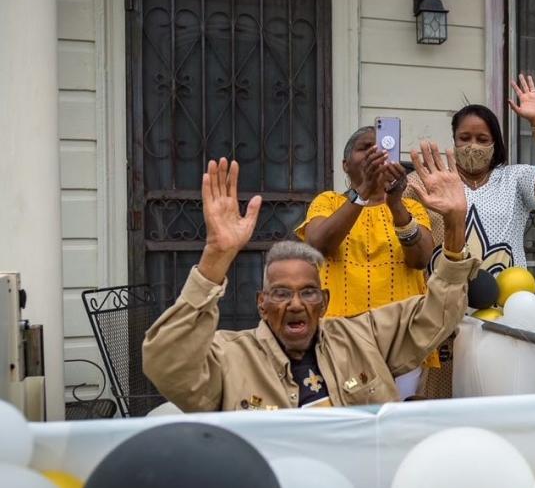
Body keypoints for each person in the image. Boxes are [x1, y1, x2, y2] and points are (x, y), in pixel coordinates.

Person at [142, 143, 475, 411]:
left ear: (323, 301)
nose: (296, 304)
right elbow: (167, 365)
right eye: (282, 293)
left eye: (308, 293)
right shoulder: (232, 358)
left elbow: (437, 314)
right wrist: (215, 256)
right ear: (261, 303)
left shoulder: (361, 339)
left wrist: (457, 223)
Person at [408, 73, 535, 274]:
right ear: (454, 140)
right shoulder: (431, 181)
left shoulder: (514, 179)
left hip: (506, 300)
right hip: (444, 297)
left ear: (495, 143)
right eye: (464, 138)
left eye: (482, 139)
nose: (472, 146)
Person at [295, 126, 434, 318]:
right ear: (345, 164)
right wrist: (364, 191)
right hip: (339, 334)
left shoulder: (410, 208)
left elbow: (420, 259)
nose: (374, 153)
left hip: (401, 334)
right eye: (366, 147)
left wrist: (395, 205)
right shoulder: (328, 201)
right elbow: (319, 246)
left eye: (382, 148)